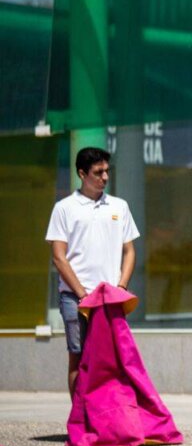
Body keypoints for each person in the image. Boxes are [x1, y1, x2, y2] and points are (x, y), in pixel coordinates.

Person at [46, 147, 140, 398]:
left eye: (107, 171)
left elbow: (129, 251)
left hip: (110, 299)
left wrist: (120, 287)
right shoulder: (64, 208)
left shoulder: (119, 206)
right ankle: (80, 423)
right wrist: (82, 294)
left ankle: (108, 421)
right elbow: (58, 256)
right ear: (82, 173)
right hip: (75, 299)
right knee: (78, 358)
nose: (105, 177)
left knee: (113, 361)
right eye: (98, 172)